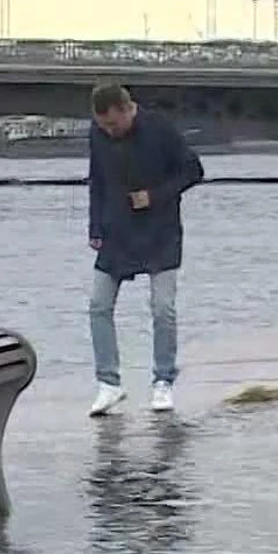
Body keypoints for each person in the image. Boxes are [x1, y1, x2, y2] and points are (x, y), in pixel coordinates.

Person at [85, 83, 204, 416]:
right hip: (116, 232)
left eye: (113, 124)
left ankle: (163, 380)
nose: (109, 131)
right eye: (103, 125)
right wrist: (94, 226)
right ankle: (108, 383)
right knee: (98, 305)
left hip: (160, 232)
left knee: (162, 308)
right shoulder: (98, 134)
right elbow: (96, 181)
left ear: (127, 109)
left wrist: (154, 196)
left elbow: (193, 170)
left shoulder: (160, 129)